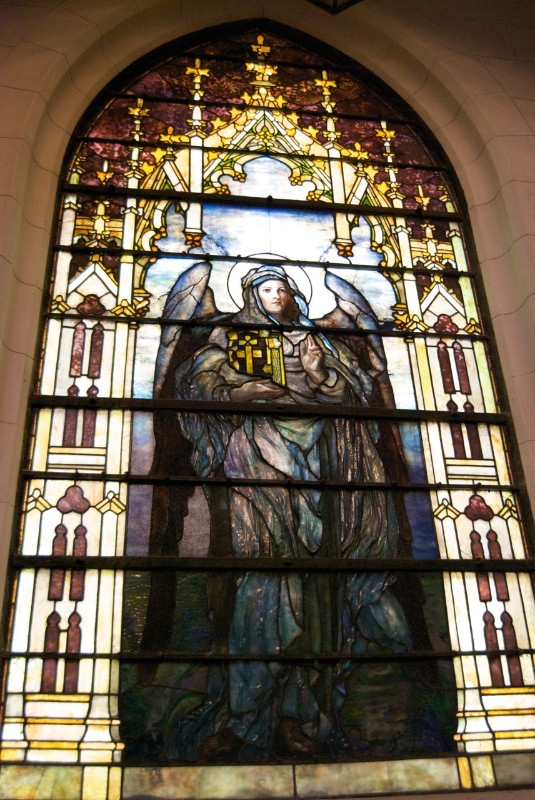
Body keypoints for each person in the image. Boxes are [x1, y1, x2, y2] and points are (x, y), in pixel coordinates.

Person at [165, 263, 414, 760]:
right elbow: (197, 384)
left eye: (282, 288)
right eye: (267, 288)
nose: (276, 295)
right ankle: (242, 717)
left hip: (321, 465)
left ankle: (299, 718)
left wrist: (321, 374)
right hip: (258, 461)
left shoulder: (314, 339)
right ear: (252, 295)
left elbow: (353, 397)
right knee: (262, 586)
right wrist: (242, 392)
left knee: (318, 593)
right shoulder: (228, 337)